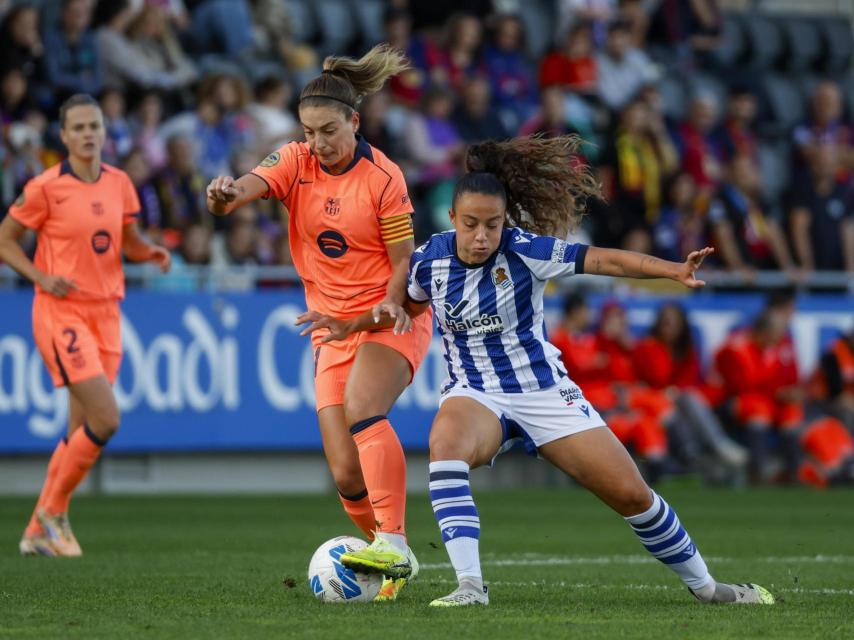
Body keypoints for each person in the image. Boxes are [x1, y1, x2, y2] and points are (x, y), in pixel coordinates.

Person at [322, 135, 774, 607]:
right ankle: (470, 588)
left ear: (504, 222)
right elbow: (403, 307)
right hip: (475, 392)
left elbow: (603, 259)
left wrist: (671, 270)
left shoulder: (526, 250)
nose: (481, 236)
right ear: (452, 218)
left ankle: (708, 588)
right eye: (471, 224)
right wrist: (350, 324)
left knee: (632, 495)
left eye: (492, 225)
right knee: (445, 445)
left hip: (543, 391)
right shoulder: (428, 260)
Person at [205, 45, 432, 601]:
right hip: (331, 329)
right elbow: (243, 191)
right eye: (308, 132)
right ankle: (389, 561)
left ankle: (396, 544)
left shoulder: (384, 178)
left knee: (363, 408)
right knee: (347, 476)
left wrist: (375, 311)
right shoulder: (295, 162)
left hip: (388, 315)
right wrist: (223, 196)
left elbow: (403, 264)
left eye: (328, 131)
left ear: (355, 121)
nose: (317, 144)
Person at [0, 94, 171, 556]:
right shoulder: (45, 187)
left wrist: (150, 251)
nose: (89, 134)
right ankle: (52, 515)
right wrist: (38, 276)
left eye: (94, 126)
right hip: (61, 311)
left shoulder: (119, 184)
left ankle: (39, 531)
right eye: (78, 128)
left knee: (79, 429)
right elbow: (5, 239)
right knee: (105, 418)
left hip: (107, 313)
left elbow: (128, 241)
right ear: (65, 135)